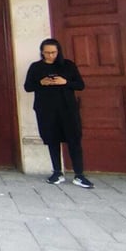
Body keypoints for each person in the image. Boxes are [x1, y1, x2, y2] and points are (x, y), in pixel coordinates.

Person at [24, 38, 94, 188]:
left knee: (74, 139)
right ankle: (57, 172)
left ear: (58, 52)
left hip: (68, 109)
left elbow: (80, 85)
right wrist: (41, 83)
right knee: (52, 139)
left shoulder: (68, 65)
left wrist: (65, 82)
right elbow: (28, 87)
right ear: (42, 52)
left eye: (53, 52)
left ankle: (79, 174)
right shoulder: (36, 67)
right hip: (46, 109)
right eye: (47, 53)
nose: (50, 55)